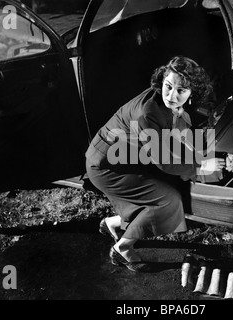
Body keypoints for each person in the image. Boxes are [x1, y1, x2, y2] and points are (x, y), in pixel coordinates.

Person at [85, 56, 225, 272]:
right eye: (168, 87)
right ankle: (122, 248)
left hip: (125, 158)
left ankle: (113, 224)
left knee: (160, 188)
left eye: (181, 91)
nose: (171, 95)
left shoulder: (167, 105)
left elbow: (176, 134)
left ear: (191, 92)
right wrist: (200, 166)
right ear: (162, 81)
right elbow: (164, 161)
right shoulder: (148, 112)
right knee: (168, 201)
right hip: (107, 166)